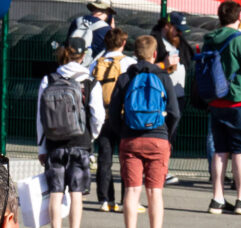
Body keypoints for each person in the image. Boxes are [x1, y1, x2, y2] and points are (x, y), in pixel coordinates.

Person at [199, 1, 241, 215]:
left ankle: (217, 198)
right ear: (239, 17)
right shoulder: (239, 40)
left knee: (220, 150)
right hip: (240, 100)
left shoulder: (209, 40)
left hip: (216, 100)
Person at [111, 34, 175, 228]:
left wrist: (123, 132)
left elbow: (113, 113)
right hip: (158, 139)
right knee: (155, 192)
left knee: (132, 190)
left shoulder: (125, 78)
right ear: (154, 54)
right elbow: (175, 112)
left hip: (130, 139)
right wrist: (166, 135)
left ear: (135, 53)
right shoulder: (163, 77)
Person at [40, 41, 99, 228]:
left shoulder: (49, 80)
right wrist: (91, 136)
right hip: (81, 142)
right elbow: (98, 115)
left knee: (55, 193)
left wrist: (41, 148)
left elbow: (40, 117)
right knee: (76, 193)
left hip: (54, 143)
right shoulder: (90, 82)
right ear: (83, 56)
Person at [90, 30, 130, 212]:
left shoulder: (95, 64)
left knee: (104, 159)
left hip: (102, 116)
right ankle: (126, 199)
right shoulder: (129, 63)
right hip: (122, 116)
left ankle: (105, 199)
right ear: (123, 43)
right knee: (126, 159)